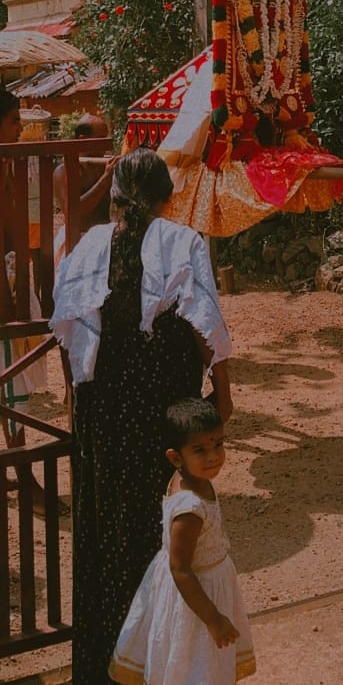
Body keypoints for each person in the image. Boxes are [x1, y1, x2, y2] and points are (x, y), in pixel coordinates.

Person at [50, 148, 233, 684]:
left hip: (103, 407)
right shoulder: (183, 242)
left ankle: (106, 660)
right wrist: (223, 394)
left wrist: (72, 396)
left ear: (114, 197)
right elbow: (206, 325)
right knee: (163, 522)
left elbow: (69, 329)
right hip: (161, 407)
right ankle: (161, 661)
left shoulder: (85, 248)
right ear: (167, 196)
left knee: (108, 523)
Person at [109, 398, 256, 685]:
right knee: (194, 666)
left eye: (218, 444)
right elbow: (181, 569)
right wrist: (213, 619)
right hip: (197, 600)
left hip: (206, 587)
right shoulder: (190, 509)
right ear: (176, 458)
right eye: (200, 450)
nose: (213, 456)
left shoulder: (191, 478)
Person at [0, 91, 47, 510]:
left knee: (12, 387)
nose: (20, 128)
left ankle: (23, 472)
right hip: (4, 289)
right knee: (10, 384)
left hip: (12, 279)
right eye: (14, 120)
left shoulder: (11, 164)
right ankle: (23, 476)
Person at [53, 113, 116, 263]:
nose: (106, 145)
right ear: (83, 140)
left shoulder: (105, 167)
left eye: (106, 137)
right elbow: (73, 212)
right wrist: (105, 180)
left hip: (106, 243)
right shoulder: (64, 171)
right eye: (101, 138)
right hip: (77, 244)